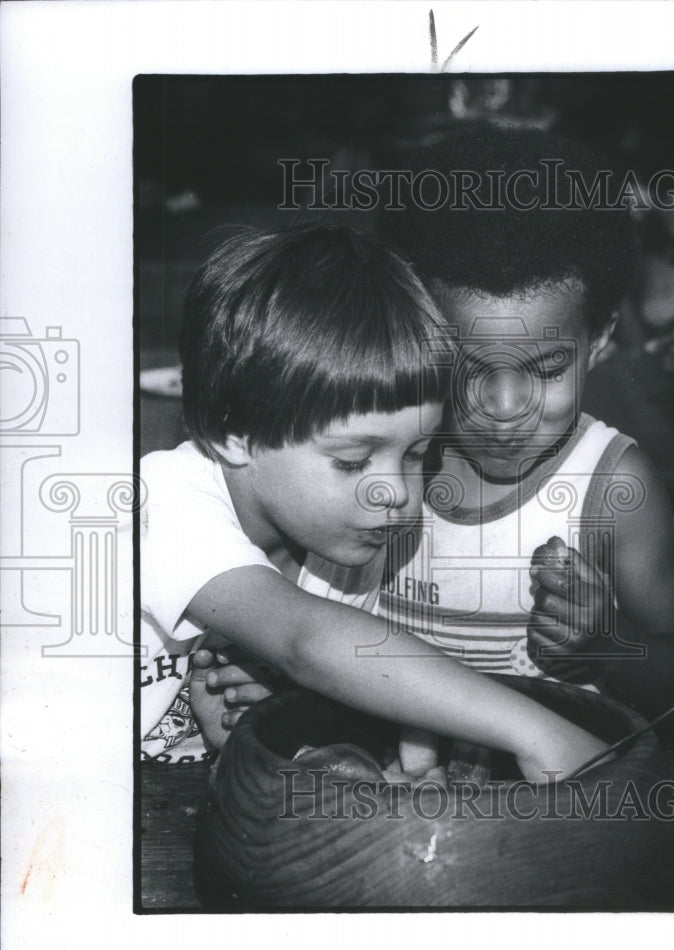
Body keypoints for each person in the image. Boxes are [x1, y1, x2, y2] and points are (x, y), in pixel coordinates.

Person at [139, 223, 607, 776]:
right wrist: (539, 732)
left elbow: (256, 714)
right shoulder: (162, 502)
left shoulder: (346, 541)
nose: (397, 493)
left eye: (416, 454)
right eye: (353, 461)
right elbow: (306, 639)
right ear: (231, 433)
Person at [378, 125, 674, 739]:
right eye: (470, 369)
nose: (506, 409)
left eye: (547, 369)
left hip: (555, 810)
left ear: (599, 340)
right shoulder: (382, 456)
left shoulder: (611, 488)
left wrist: (606, 645)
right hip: (395, 797)